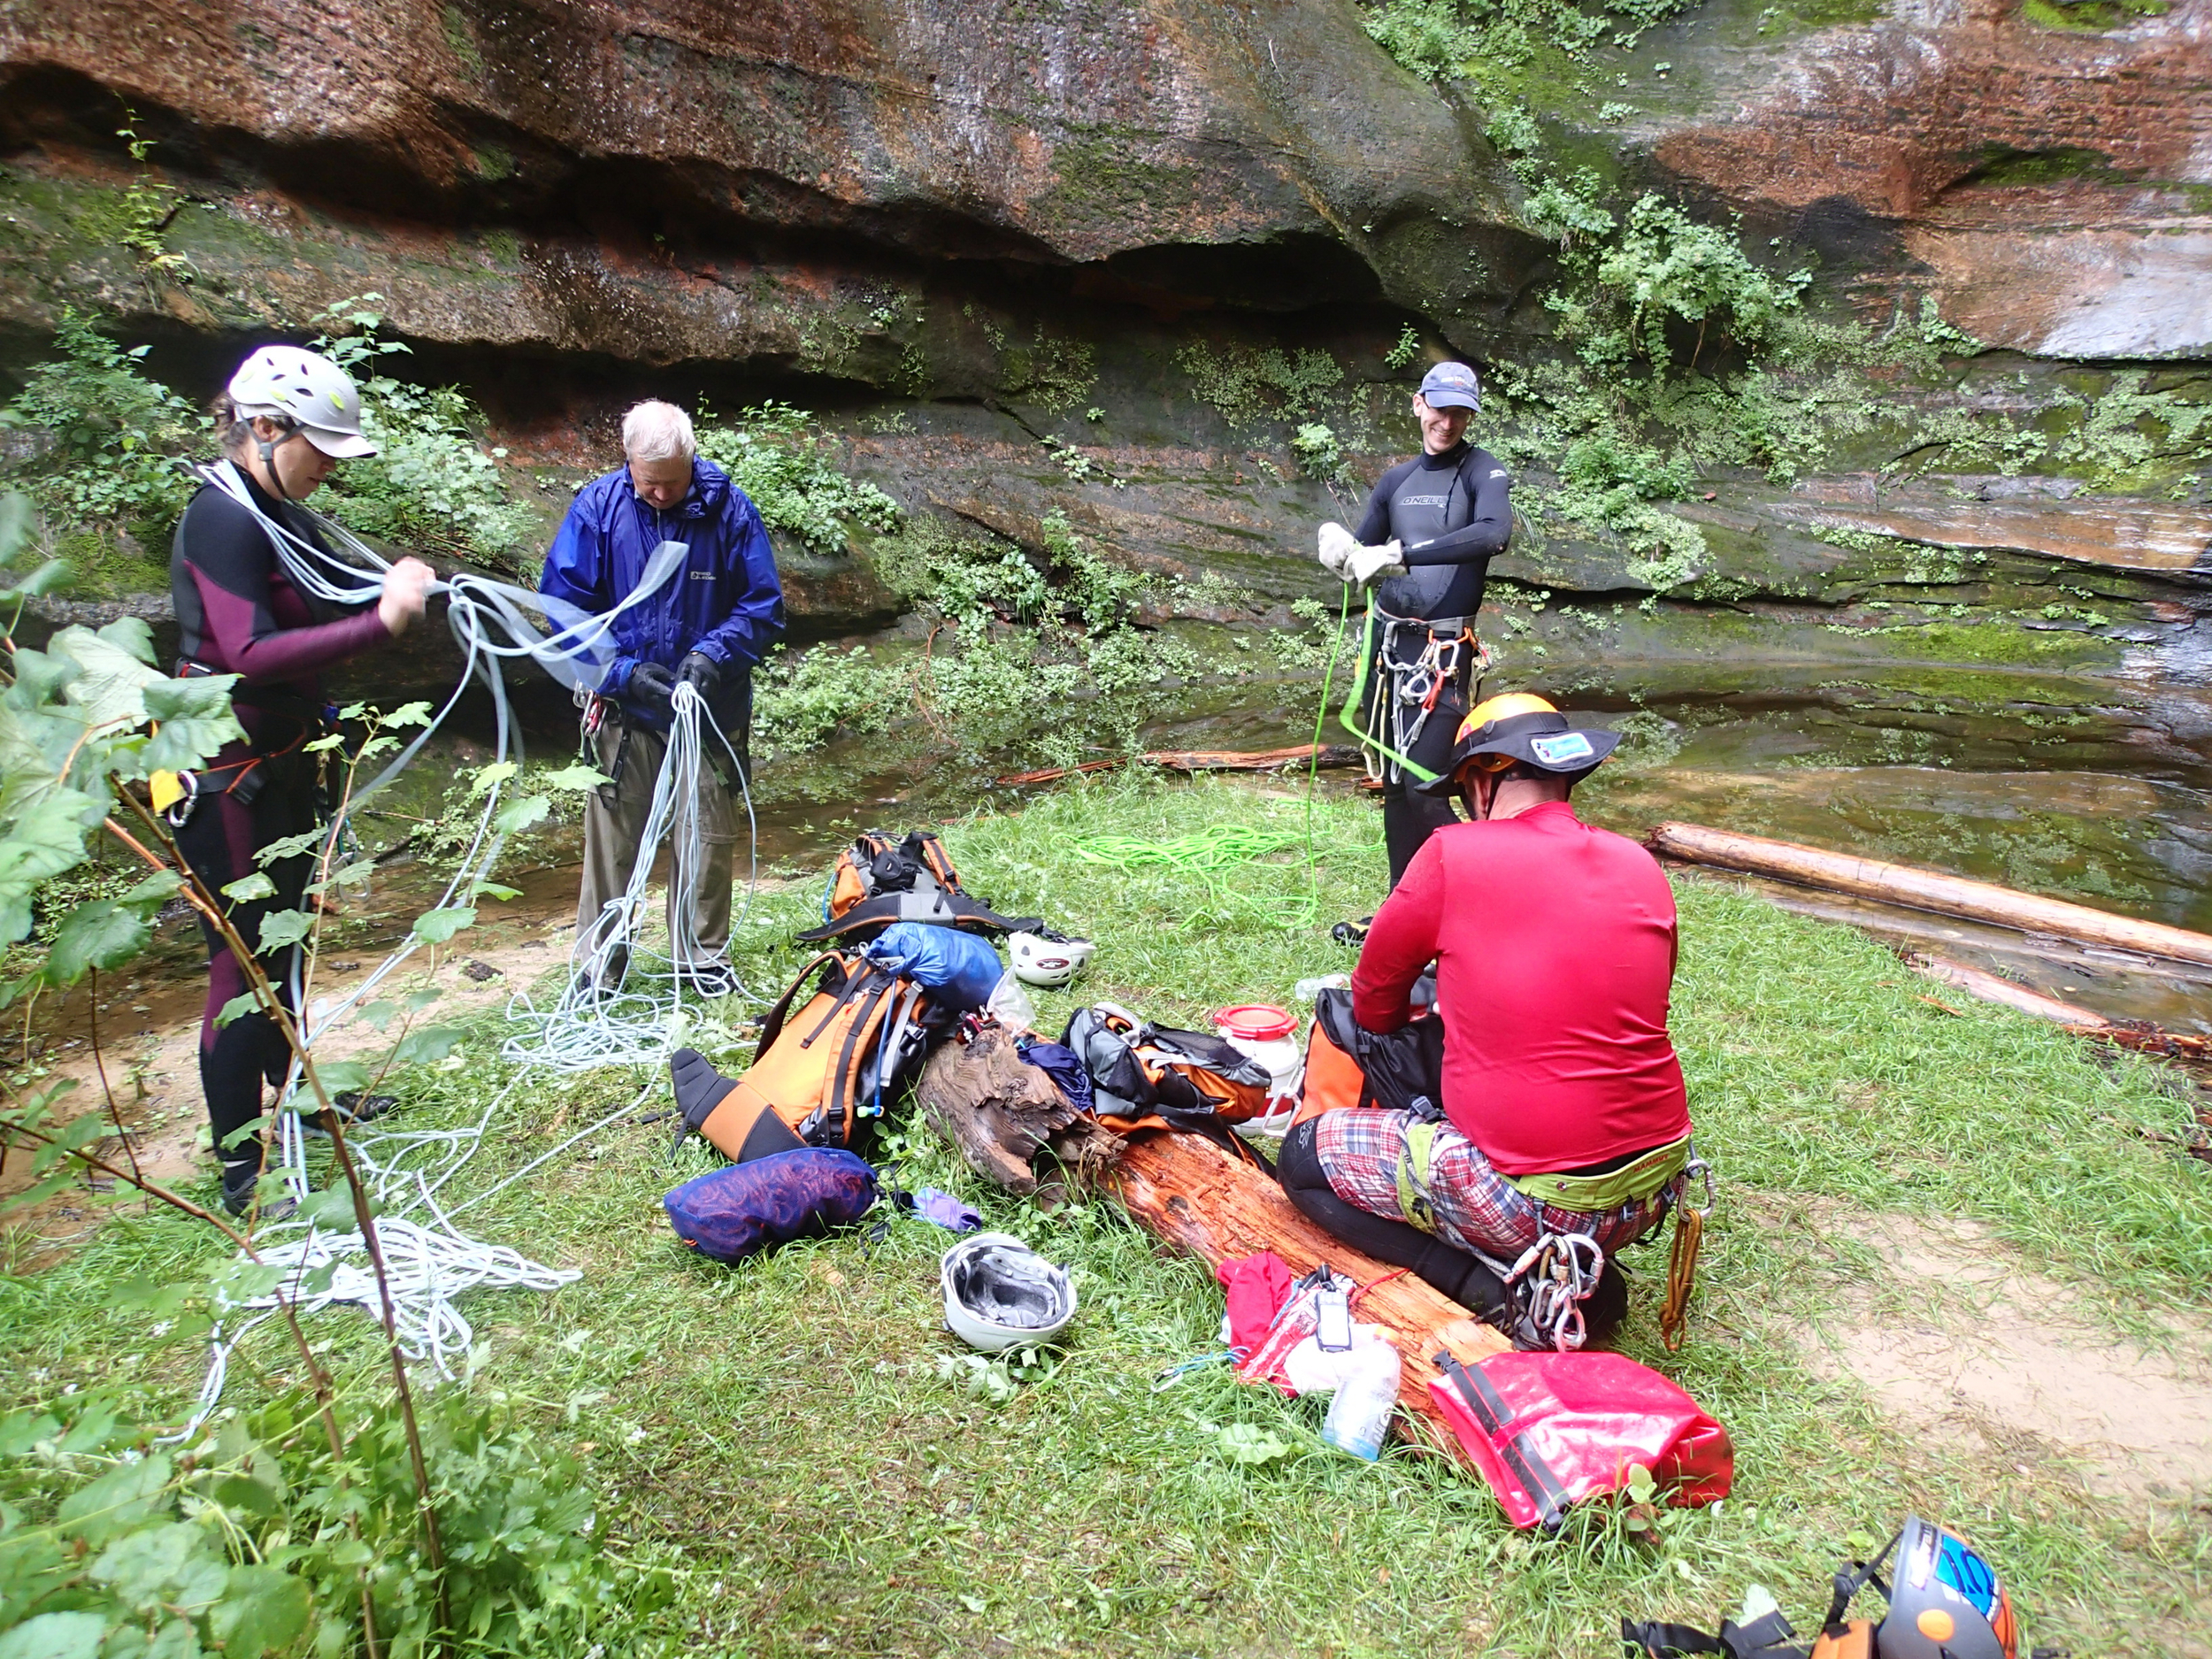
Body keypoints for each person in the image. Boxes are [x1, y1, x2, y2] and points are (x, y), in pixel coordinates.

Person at [1277, 693, 1694, 1347]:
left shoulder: (1454, 854)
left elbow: (1373, 1002)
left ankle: (1499, 1289)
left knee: (1302, 1158)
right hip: (1649, 1190)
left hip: (1535, 1200)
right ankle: (1576, 1266)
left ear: (1484, 777)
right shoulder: (1640, 863)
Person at [169, 344, 436, 1215]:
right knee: (236, 963)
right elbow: (245, 649)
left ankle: (300, 1101)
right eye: (318, 448)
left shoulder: (280, 509)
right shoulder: (223, 518)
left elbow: (336, 596)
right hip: (222, 775)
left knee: (283, 941)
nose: (326, 466)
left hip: (283, 764)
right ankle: (241, 1174)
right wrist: (384, 623)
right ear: (266, 428)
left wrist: (426, 590)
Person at [540, 399, 783, 995]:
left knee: (707, 838)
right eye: (649, 483)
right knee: (614, 845)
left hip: (709, 711)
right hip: (626, 712)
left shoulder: (729, 510)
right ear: (628, 463)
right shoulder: (598, 510)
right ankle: (599, 970)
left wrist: (713, 656)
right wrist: (619, 672)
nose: (660, 494)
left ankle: (700, 962)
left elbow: (763, 605)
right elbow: (564, 615)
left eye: (673, 482)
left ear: (691, 460)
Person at [1317, 360, 1512, 887]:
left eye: (1460, 414)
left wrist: (1403, 554)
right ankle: (1403, 910)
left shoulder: (1483, 471)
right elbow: (1366, 551)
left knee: (1427, 786)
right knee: (1398, 785)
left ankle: (1493, 895)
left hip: (1444, 652)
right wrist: (1342, 553)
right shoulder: (1396, 480)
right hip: (1389, 650)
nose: (1447, 423)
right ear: (1418, 404)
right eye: (1439, 409)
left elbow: (1493, 534)